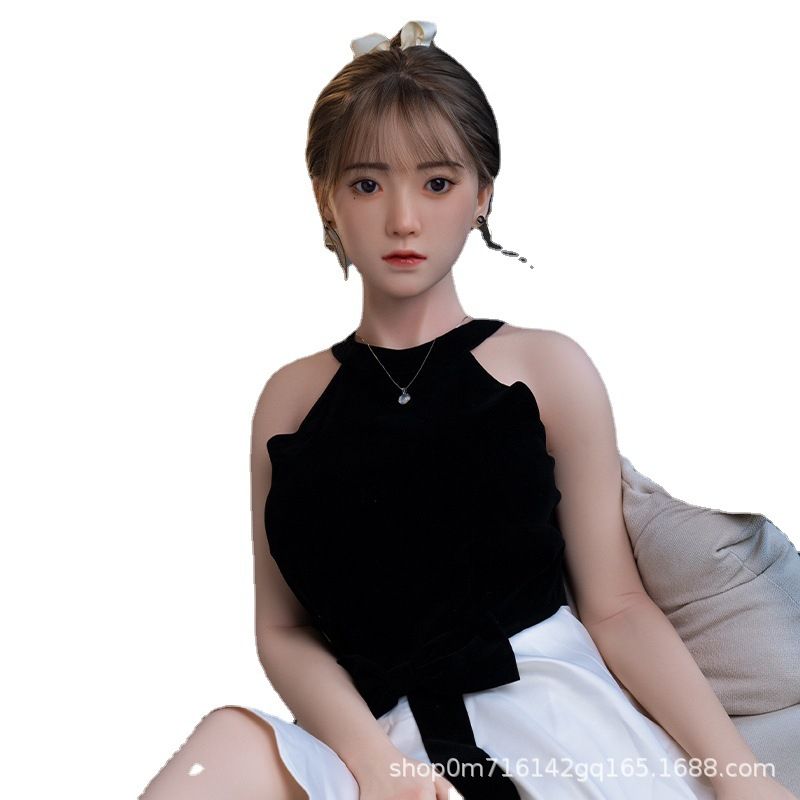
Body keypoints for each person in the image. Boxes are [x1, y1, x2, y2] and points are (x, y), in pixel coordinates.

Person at [138, 20, 799, 800]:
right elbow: (281, 630)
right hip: (374, 743)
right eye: (367, 184)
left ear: (483, 193)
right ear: (326, 198)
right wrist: (378, 766)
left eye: (437, 183)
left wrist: (743, 779)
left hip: (549, 720)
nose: (403, 219)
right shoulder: (288, 399)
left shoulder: (546, 367)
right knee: (227, 741)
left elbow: (617, 606)